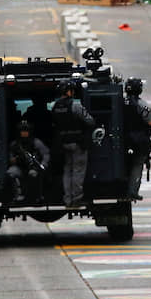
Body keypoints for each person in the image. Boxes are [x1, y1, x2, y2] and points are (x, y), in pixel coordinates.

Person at [51, 79, 95, 207]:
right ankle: (76, 198)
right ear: (68, 91)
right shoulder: (75, 105)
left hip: (63, 143)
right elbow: (90, 121)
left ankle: (68, 199)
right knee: (78, 170)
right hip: (77, 143)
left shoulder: (55, 106)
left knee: (67, 170)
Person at [123, 77, 151, 201]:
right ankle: (132, 191)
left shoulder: (120, 101)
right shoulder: (142, 105)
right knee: (137, 165)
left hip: (122, 141)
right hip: (138, 142)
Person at [7, 121, 50, 202]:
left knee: (33, 174)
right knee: (11, 173)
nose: (24, 133)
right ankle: (18, 195)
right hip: (20, 167)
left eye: (26, 131)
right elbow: (11, 159)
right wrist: (16, 159)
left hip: (33, 167)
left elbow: (46, 154)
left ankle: (37, 196)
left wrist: (43, 164)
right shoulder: (15, 144)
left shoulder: (36, 142)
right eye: (22, 131)